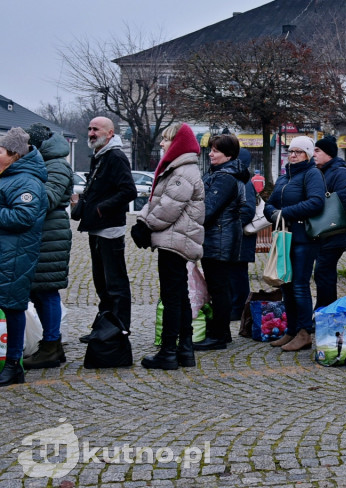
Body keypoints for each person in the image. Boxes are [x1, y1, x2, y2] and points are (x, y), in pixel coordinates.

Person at [138, 123, 205, 370]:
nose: (162, 144)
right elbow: (157, 199)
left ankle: (168, 352)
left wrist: (147, 226)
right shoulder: (176, 168)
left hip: (176, 240)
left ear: (177, 143)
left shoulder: (183, 171)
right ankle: (184, 350)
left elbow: (168, 208)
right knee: (179, 297)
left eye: (166, 140)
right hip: (175, 239)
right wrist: (142, 220)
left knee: (172, 298)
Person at [72, 117, 138, 342]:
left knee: (115, 283)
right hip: (97, 228)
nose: (91, 133)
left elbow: (129, 190)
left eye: (96, 129)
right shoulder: (100, 155)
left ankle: (119, 329)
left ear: (110, 133)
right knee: (101, 282)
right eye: (89, 129)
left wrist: (102, 208)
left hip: (110, 229)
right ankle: (105, 326)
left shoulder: (115, 156)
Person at [264, 136, 325, 352]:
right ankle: (291, 329)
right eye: (291, 151)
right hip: (284, 236)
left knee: (299, 285)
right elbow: (269, 204)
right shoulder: (284, 177)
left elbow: (316, 202)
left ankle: (304, 332)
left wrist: (285, 213)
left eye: (298, 152)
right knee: (286, 285)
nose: (293, 155)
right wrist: (272, 213)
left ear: (307, 155)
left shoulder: (312, 174)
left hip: (303, 238)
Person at [21, 124, 74, 370]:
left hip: (51, 234)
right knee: (38, 289)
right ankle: (53, 344)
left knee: (47, 289)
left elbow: (49, 198)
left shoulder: (56, 165)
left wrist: (22, 187)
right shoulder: (47, 163)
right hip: (42, 233)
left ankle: (51, 345)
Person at [0, 128, 48, 386]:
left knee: (13, 306)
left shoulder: (27, 181)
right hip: (5, 252)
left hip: (15, 256)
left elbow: (24, 217)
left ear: (13, 154)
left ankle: (13, 365)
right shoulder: (9, 176)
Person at [195, 134, 247, 351]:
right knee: (219, 286)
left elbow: (209, 209)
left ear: (229, 154)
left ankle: (218, 335)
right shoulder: (220, 173)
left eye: (216, 150)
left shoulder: (225, 177)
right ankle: (221, 332)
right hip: (219, 236)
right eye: (211, 149)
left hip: (220, 237)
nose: (211, 154)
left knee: (219, 288)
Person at [312, 137, 346, 311]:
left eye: (318, 151)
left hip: (335, 231)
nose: (313, 155)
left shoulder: (340, 172)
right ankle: (324, 311)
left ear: (328, 154)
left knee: (324, 272)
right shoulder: (322, 171)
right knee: (323, 273)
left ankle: (326, 312)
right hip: (323, 232)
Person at [229, 148, 258, 321]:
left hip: (240, 238)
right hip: (234, 237)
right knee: (232, 274)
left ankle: (239, 308)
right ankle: (235, 306)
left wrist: (229, 226)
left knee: (238, 275)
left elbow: (247, 210)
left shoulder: (245, 182)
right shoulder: (234, 180)